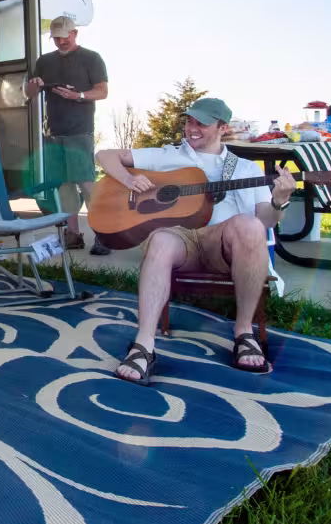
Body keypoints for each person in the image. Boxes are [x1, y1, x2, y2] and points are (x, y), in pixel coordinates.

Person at [94, 97, 296, 384]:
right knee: (161, 240)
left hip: (223, 243)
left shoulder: (246, 169)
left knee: (251, 225)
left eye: (202, 123)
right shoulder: (167, 156)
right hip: (180, 240)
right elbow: (104, 155)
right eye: (189, 121)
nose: (192, 128)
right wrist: (129, 180)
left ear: (223, 127)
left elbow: (267, 221)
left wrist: (279, 201)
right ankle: (144, 344)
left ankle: (244, 333)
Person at [25, 15, 109, 255]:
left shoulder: (91, 58)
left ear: (75, 34)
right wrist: (34, 85)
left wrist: (78, 96)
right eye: (56, 38)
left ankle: (104, 235)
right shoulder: (44, 61)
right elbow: (29, 93)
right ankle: (73, 235)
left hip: (80, 131)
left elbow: (102, 92)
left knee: (87, 183)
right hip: (53, 131)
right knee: (63, 186)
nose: (61, 42)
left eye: (65, 37)